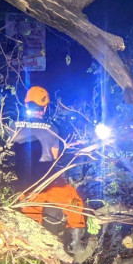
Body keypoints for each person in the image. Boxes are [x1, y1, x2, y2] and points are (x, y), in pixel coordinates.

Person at [11, 86, 86, 254]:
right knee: (74, 202)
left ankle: (30, 250)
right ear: (45, 107)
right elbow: (55, 157)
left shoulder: (12, 125)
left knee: (31, 215)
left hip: (25, 186)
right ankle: (74, 244)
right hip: (49, 183)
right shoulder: (51, 128)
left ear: (26, 104)